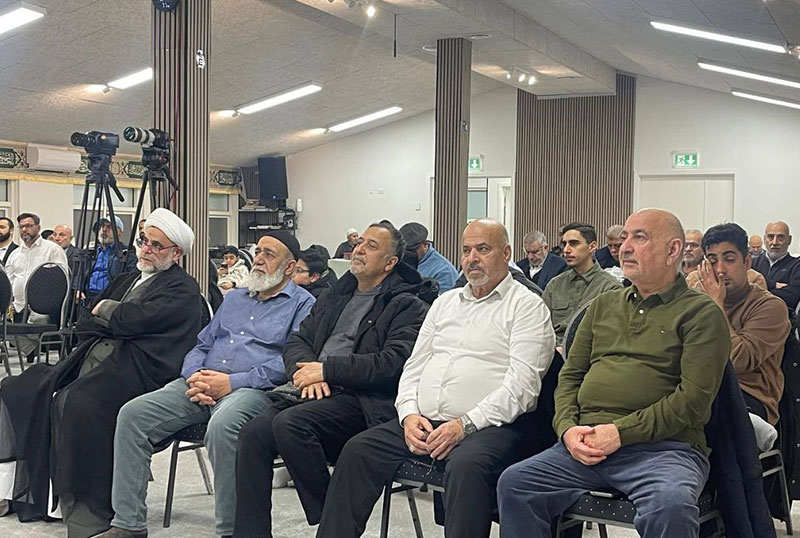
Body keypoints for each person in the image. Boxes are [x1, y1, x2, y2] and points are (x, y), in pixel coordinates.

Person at [497, 208, 731, 538]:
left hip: (663, 450)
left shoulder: (700, 313)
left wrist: (619, 433)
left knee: (670, 506)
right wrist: (567, 429)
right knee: (517, 484)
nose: (625, 248)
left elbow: (692, 402)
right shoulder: (603, 306)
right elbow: (570, 377)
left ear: (673, 250)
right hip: (586, 443)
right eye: (625, 239)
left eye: (640, 238)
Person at [314, 219, 556, 538]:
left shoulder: (527, 307)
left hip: (495, 426)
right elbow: (414, 368)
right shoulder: (445, 303)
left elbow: (522, 388)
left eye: (483, 249)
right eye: (466, 250)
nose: (472, 258)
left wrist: (464, 425)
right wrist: (408, 415)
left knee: (467, 466)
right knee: (359, 450)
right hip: (426, 421)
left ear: (506, 253)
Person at [0, 208, 206, 536]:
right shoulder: (127, 279)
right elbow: (86, 320)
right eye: (144, 241)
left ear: (176, 253)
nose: (146, 249)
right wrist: (115, 318)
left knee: (75, 403)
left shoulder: (183, 290)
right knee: (17, 387)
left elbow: (134, 322)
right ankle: (21, 492)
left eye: (156, 245)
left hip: (137, 371)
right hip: (93, 359)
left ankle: (84, 507)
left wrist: (110, 313)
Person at [95, 232, 315, 538]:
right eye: (258, 252)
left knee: (223, 426)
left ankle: (231, 531)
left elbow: (291, 361)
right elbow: (202, 343)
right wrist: (194, 375)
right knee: (133, 414)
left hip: (253, 389)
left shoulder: (304, 305)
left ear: (289, 267)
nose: (259, 260)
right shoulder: (235, 298)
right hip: (201, 382)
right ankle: (128, 524)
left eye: (269, 254)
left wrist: (231, 382)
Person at [232, 221, 429, 537]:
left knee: (290, 424)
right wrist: (308, 373)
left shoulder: (406, 304)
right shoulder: (336, 294)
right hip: (313, 391)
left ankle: (334, 522)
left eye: (371, 246)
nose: (359, 250)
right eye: (360, 242)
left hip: (362, 400)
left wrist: (327, 371)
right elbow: (298, 340)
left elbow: (392, 364)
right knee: (253, 433)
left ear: (390, 263)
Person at [695, 223, 790, 425]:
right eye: (712, 261)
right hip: (699, 388)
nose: (720, 270)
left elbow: (737, 360)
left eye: (729, 259)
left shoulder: (770, 307)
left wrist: (716, 305)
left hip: (748, 397)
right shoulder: (696, 300)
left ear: (747, 262)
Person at [542, 222, 621, 348]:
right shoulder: (555, 285)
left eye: (574, 243)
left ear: (592, 246)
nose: (566, 250)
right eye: (564, 244)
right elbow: (541, 327)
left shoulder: (610, 287)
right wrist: (556, 346)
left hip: (590, 353)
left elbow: (610, 335)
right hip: (553, 351)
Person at [85, 217, 138, 299]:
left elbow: (133, 276)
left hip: (109, 298)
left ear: (119, 233)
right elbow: (80, 274)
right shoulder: (92, 251)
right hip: (86, 296)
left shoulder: (126, 252)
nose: (103, 230)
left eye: (109, 227)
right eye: (101, 226)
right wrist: (78, 290)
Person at [752, 221, 800, 311]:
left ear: (789, 240)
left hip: (782, 316)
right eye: (770, 237)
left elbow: (792, 296)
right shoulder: (752, 263)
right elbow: (742, 287)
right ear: (764, 239)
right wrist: (774, 285)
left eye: (780, 237)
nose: (774, 242)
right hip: (749, 315)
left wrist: (757, 290)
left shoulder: (796, 266)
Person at [399, 222, 459, 293]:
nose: (407, 254)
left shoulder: (444, 271)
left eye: (412, 250)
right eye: (403, 250)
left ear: (425, 245)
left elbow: (445, 299)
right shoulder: (400, 261)